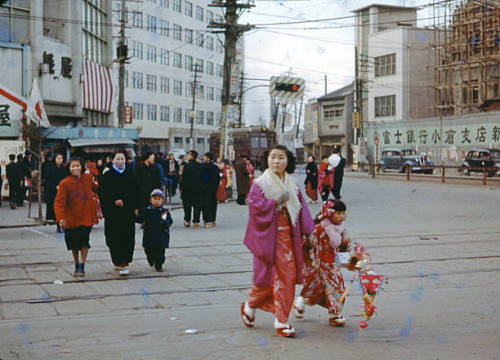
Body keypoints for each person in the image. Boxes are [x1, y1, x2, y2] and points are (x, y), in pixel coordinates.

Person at [240, 145, 315, 338]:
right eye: (273, 157)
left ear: (287, 161)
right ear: (267, 160)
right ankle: (251, 303)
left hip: (289, 238)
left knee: (287, 278)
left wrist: (309, 232)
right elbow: (255, 210)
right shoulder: (260, 184)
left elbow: (302, 211)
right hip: (267, 238)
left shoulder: (293, 185)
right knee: (264, 279)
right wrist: (274, 203)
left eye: (281, 158)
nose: (276, 161)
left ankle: (281, 320)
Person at [293, 200, 350, 327]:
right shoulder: (319, 228)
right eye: (338, 213)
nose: (341, 216)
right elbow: (308, 243)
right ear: (329, 213)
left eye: (343, 213)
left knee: (336, 288)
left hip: (332, 265)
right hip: (317, 265)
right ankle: (300, 301)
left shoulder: (340, 228)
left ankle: (334, 314)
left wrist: (348, 253)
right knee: (313, 288)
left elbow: (344, 244)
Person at [54, 157, 99, 277]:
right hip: (72, 218)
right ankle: (76, 263)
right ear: (69, 168)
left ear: (81, 167)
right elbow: (59, 202)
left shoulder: (88, 178)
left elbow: (96, 188)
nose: (75, 168)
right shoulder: (64, 183)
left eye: (77, 166)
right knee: (74, 244)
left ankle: (82, 265)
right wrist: (60, 218)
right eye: (73, 166)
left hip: (86, 217)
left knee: (84, 242)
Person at [99, 150, 140, 276]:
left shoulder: (131, 173)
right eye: (118, 159)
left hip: (127, 212)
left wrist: (135, 207)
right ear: (113, 160)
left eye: (122, 159)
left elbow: (137, 191)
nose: (120, 161)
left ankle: (125, 263)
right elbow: (102, 193)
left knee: (127, 237)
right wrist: (113, 201)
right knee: (112, 238)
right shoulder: (107, 174)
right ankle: (117, 260)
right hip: (112, 213)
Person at [136, 189, 173, 272]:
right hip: (149, 235)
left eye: (159, 199)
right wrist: (135, 217)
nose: (157, 201)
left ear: (162, 201)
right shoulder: (147, 210)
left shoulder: (164, 212)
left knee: (160, 252)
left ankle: (159, 264)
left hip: (161, 236)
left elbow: (170, 221)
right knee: (149, 250)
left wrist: (165, 223)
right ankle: (151, 259)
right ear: (150, 200)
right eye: (155, 199)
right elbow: (141, 219)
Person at [181, 150, 204, 228]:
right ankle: (196, 221)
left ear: (191, 156)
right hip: (198, 189)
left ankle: (187, 220)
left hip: (187, 189)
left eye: (188, 155)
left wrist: (182, 188)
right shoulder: (201, 166)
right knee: (197, 205)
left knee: (187, 205)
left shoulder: (187, 166)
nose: (187, 156)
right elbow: (204, 177)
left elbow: (183, 178)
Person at [44, 154, 66, 230]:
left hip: (63, 191)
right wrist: (55, 186)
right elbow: (47, 180)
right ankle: (58, 225)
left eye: (61, 158)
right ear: (55, 159)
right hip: (53, 192)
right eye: (58, 158)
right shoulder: (50, 168)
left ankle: (63, 225)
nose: (60, 160)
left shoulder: (64, 169)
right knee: (57, 210)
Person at [201, 152, 220, 227]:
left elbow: (204, 178)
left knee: (206, 204)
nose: (204, 158)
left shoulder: (204, 167)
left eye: (205, 157)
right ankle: (213, 220)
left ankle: (207, 220)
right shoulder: (215, 167)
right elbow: (218, 178)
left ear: (208, 158)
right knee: (213, 203)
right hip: (214, 187)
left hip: (206, 187)